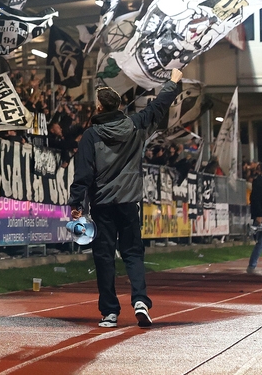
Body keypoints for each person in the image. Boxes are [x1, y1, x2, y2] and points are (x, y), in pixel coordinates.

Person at [69, 68, 183, 329]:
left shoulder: (90, 135)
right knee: (133, 253)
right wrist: (173, 82)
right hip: (129, 203)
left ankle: (109, 312)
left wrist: (77, 204)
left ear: (98, 106)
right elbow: (159, 107)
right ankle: (140, 300)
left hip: (102, 205)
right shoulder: (136, 125)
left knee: (104, 256)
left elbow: (83, 173)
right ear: (118, 106)